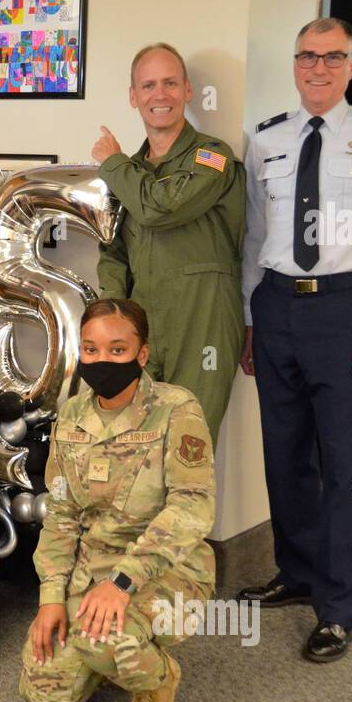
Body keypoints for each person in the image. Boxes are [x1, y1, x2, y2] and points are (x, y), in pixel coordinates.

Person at [237, 17, 352, 662]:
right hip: (277, 306)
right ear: (294, 63)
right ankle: (298, 572)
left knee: (345, 471)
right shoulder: (264, 139)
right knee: (284, 455)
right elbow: (254, 240)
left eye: (332, 57)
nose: (318, 67)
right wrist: (251, 320)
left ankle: (339, 607)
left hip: (345, 311)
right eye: (307, 56)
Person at [19, 299, 216, 702]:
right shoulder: (71, 416)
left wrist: (122, 583)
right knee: (47, 691)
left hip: (167, 568)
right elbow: (62, 513)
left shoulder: (176, 410)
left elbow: (192, 506)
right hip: (94, 568)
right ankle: (107, 655)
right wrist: (51, 598)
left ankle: (158, 678)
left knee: (101, 639)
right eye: (90, 349)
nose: (101, 360)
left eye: (117, 350)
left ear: (141, 355)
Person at [90, 43, 246, 443]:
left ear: (188, 91)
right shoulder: (130, 171)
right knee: (133, 449)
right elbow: (113, 249)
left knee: (189, 449)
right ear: (133, 97)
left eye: (170, 83)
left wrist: (113, 164)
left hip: (203, 321)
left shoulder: (212, 157)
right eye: (148, 85)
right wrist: (111, 314)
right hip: (143, 323)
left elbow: (161, 207)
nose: (160, 95)